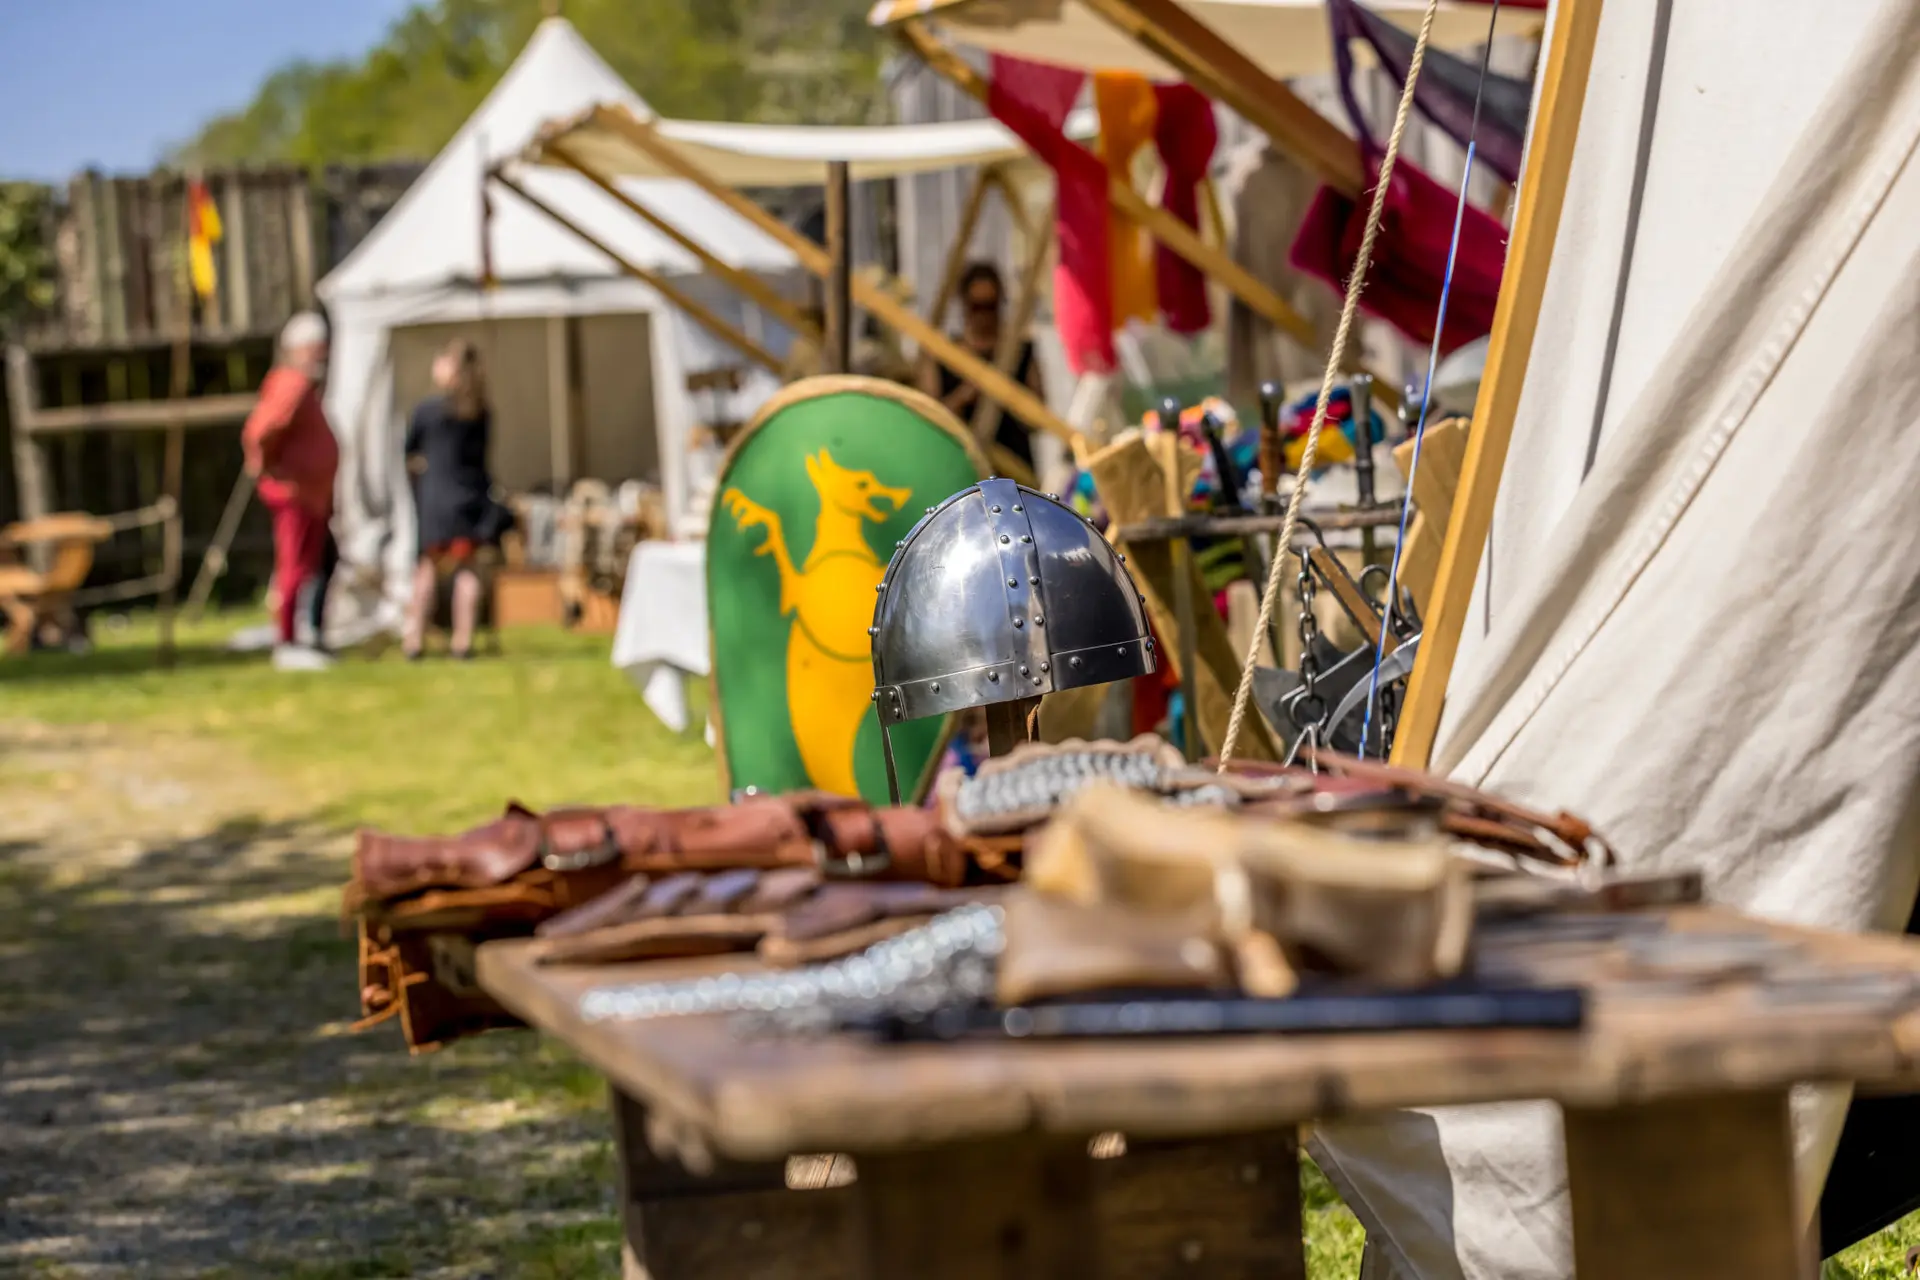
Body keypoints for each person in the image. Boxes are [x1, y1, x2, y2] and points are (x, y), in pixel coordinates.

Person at [242, 311, 339, 672]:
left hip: (311, 494)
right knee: (294, 569)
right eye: (317, 349)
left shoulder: (304, 384)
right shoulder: (291, 384)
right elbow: (260, 431)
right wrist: (268, 464)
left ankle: (306, 634)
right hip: (294, 493)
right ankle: (287, 641)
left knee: (318, 564)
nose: (322, 356)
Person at [402, 339, 500, 661]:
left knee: (427, 570)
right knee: (467, 572)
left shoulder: (428, 411)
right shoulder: (481, 412)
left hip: (436, 500)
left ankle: (413, 640)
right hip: (470, 498)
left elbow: (410, 453)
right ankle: (463, 640)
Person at [916, 261, 1046, 471]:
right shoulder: (943, 355)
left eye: (990, 306)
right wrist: (964, 396)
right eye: (977, 306)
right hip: (961, 473)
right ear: (965, 305)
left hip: (1015, 474)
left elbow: (1039, 419)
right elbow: (927, 419)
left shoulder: (1020, 352)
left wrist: (1010, 395)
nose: (984, 315)